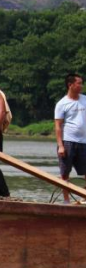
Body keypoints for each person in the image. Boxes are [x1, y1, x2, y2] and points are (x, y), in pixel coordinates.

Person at [54, 73, 86, 203]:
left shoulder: (84, 99)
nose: (81, 86)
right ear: (70, 85)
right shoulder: (62, 103)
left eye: (81, 83)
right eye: (78, 83)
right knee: (65, 173)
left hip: (84, 142)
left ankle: (84, 198)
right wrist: (60, 146)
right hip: (68, 142)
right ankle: (66, 201)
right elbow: (57, 126)